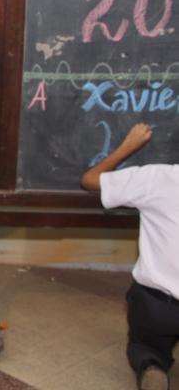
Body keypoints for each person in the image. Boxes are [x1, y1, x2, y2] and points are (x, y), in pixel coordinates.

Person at [81, 123, 179, 390]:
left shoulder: (159, 178)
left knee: (144, 345)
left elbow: (90, 180)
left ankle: (151, 364)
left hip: (160, 305)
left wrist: (129, 146)